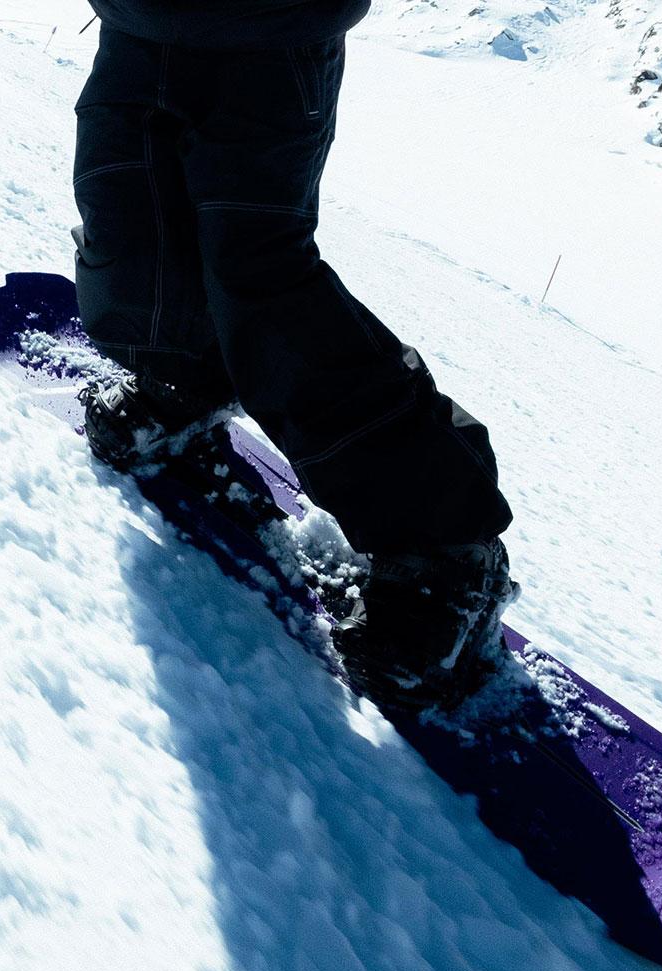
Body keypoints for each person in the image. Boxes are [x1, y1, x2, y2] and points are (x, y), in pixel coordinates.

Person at [69, 0, 519, 710]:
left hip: (273, 35)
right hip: (139, 19)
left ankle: (446, 552)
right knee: (130, 235)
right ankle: (182, 378)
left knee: (261, 279)